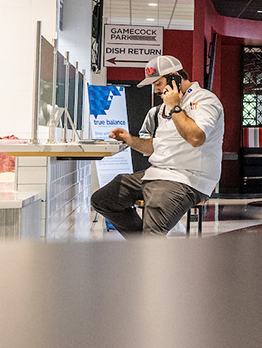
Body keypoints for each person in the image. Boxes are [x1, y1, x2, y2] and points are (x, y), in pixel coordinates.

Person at [93, 56, 224, 236]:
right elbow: (155, 147)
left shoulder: (204, 100)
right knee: (103, 199)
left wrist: (175, 107)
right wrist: (129, 139)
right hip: (158, 173)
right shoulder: (164, 107)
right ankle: (145, 248)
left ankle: (149, 249)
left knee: (153, 224)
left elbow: (196, 138)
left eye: (158, 83)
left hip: (188, 178)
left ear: (176, 77)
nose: (156, 90)